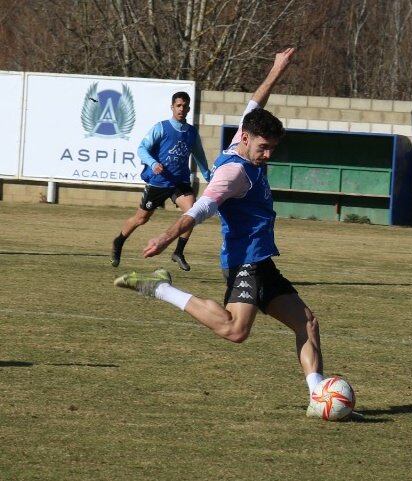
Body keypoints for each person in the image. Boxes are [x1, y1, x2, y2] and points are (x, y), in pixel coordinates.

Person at [113, 48, 328, 412]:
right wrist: (165, 238)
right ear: (245, 139)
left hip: (262, 261)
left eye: (273, 148)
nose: (268, 155)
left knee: (307, 323)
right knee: (235, 330)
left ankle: (318, 397)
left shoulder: (244, 136)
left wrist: (277, 67)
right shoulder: (232, 173)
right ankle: (161, 288)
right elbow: (199, 210)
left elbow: (255, 102)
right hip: (243, 261)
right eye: (264, 148)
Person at [110, 91, 212, 271]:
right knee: (141, 219)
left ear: (188, 108)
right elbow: (142, 149)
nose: (182, 109)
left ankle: (178, 252)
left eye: (185, 106)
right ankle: (118, 241)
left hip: (179, 182)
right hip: (159, 182)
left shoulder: (191, 132)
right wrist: (153, 163)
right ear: (172, 107)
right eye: (178, 105)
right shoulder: (161, 128)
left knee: (192, 213)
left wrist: (208, 175)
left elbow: (199, 155)